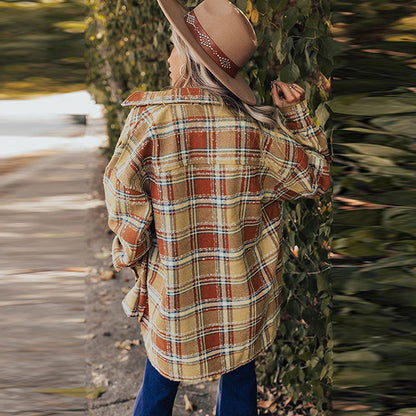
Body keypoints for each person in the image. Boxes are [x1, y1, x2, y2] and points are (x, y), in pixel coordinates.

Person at [102, 0, 332, 415]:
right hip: (240, 299)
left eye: (175, 48)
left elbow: (120, 191)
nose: (170, 58)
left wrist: (134, 252)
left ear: (190, 59)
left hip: (173, 294)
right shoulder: (256, 132)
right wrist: (296, 115)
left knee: (158, 384)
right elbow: (316, 178)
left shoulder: (150, 121)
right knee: (239, 377)